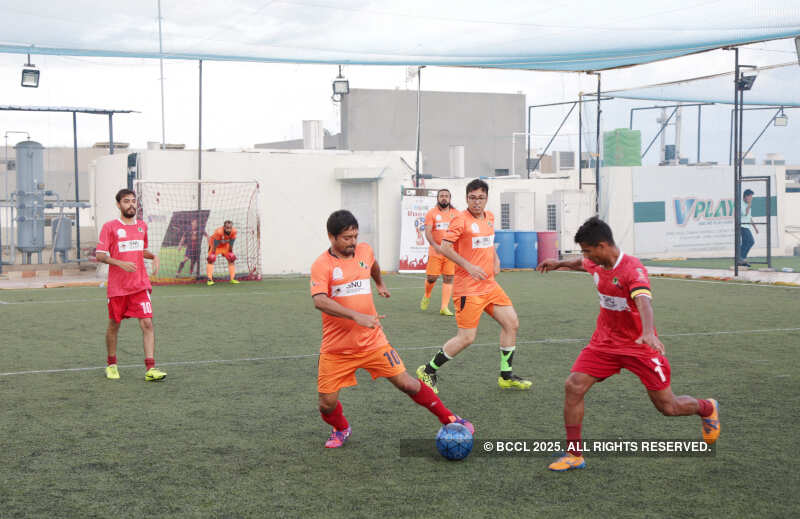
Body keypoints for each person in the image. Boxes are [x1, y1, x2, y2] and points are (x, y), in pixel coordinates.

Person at [537, 216, 720, 472]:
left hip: (639, 346)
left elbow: (644, 301)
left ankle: (707, 407)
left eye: (588, 250)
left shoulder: (632, 270)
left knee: (668, 407)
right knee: (573, 387)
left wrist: (648, 332)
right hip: (604, 343)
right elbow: (582, 264)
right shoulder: (596, 263)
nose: (585, 256)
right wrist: (559, 263)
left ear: (602, 246)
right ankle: (574, 454)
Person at [311, 210, 474, 448]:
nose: (352, 242)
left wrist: (379, 283)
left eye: (355, 236)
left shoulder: (364, 251)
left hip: (372, 341)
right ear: (331, 237)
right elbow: (319, 300)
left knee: (407, 383)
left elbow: (373, 265)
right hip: (337, 348)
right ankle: (341, 428)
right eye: (346, 238)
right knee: (326, 403)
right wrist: (358, 316)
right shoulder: (322, 264)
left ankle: (450, 418)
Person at [417, 179, 531, 393]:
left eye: (480, 198)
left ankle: (505, 376)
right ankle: (428, 370)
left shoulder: (489, 217)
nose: (476, 202)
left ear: (486, 198)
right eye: (472, 198)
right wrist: (467, 265)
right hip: (468, 289)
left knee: (511, 323)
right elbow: (444, 247)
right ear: (467, 198)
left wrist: (495, 259)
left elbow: (488, 241)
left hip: (489, 285)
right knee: (467, 338)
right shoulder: (460, 220)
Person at [95, 188, 167, 382]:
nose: (131, 204)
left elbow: (141, 250)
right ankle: (111, 364)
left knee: (147, 323)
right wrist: (120, 263)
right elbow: (100, 255)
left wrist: (154, 256)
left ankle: (150, 369)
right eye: (126, 201)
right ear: (118, 205)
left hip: (140, 285)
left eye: (133, 201)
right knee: (114, 325)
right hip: (118, 287)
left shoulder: (142, 226)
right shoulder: (110, 227)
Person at [420, 188, 458, 316]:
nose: (444, 198)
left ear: (449, 198)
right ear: (437, 198)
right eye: (441, 195)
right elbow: (428, 232)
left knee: (449, 277)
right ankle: (427, 295)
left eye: (446, 196)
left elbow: (460, 231)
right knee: (432, 278)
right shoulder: (431, 213)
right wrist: (435, 245)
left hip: (451, 252)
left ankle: (444, 307)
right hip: (436, 251)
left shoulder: (456, 213)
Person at [206, 220, 239, 285]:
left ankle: (232, 279)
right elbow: (216, 243)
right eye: (227, 228)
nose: (228, 230)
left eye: (230, 228)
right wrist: (213, 253)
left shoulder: (234, 231)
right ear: (224, 227)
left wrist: (230, 251)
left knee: (231, 258)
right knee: (211, 259)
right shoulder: (219, 231)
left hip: (225, 246)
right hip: (215, 246)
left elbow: (231, 242)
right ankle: (209, 279)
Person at [738, 189, 758, 267]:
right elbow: (745, 214)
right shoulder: (741, 204)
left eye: (751, 197)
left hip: (747, 226)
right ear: (745, 196)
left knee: (746, 243)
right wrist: (749, 206)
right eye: (750, 197)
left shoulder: (748, 205)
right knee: (751, 241)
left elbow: (749, 217)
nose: (751, 198)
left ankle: (742, 259)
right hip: (742, 226)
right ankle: (742, 258)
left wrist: (755, 227)